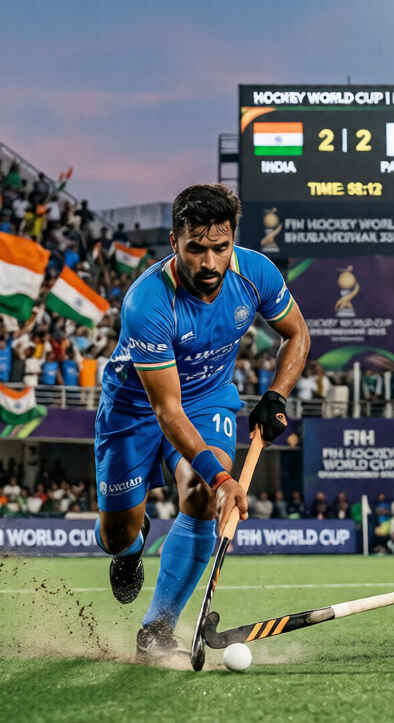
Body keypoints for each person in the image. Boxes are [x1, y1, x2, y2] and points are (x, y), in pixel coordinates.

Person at [91, 183, 310, 663]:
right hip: (135, 409)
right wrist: (226, 480)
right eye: (196, 248)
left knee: (201, 496)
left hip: (208, 398)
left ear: (233, 240)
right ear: (175, 242)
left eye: (220, 247)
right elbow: (166, 411)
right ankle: (130, 547)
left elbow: (297, 334)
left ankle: (157, 628)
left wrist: (276, 395)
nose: (210, 262)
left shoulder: (256, 273)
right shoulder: (147, 302)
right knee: (116, 536)